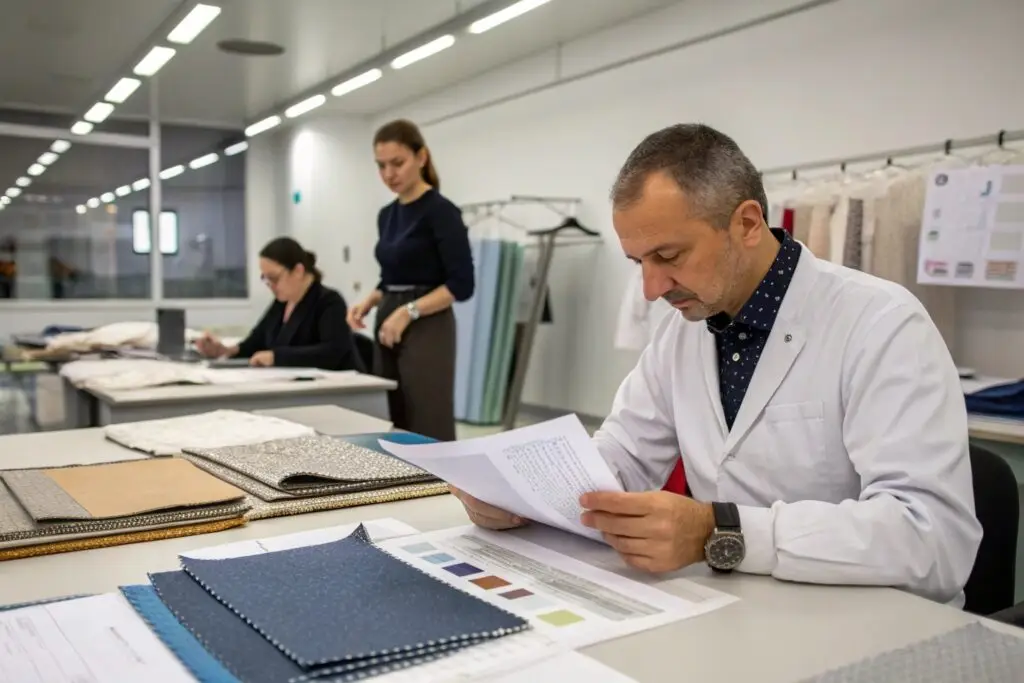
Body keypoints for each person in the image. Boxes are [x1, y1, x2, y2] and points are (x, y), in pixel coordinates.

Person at [451, 123, 983, 606]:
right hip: (733, 608)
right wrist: (521, 496)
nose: (651, 289)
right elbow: (624, 455)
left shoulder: (880, 322)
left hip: (869, 618)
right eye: (639, 262)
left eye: (669, 256)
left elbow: (933, 539)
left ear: (747, 223)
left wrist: (720, 530)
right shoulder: (682, 330)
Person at [347, 119, 474, 442]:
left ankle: (437, 475)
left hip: (427, 322)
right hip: (389, 316)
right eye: (381, 166)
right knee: (389, 413)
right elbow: (392, 276)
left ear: (421, 157)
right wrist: (369, 300)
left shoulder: (442, 212)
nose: (389, 174)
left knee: (426, 416)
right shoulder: (386, 215)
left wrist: (409, 311)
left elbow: (461, 284)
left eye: (397, 163)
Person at [196, 237, 362, 371]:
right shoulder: (282, 302)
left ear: (298, 271)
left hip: (338, 390)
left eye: (274, 278)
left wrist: (276, 357)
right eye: (265, 279)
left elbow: (332, 352)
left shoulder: (329, 301)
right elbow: (256, 341)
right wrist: (225, 350)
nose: (270, 285)